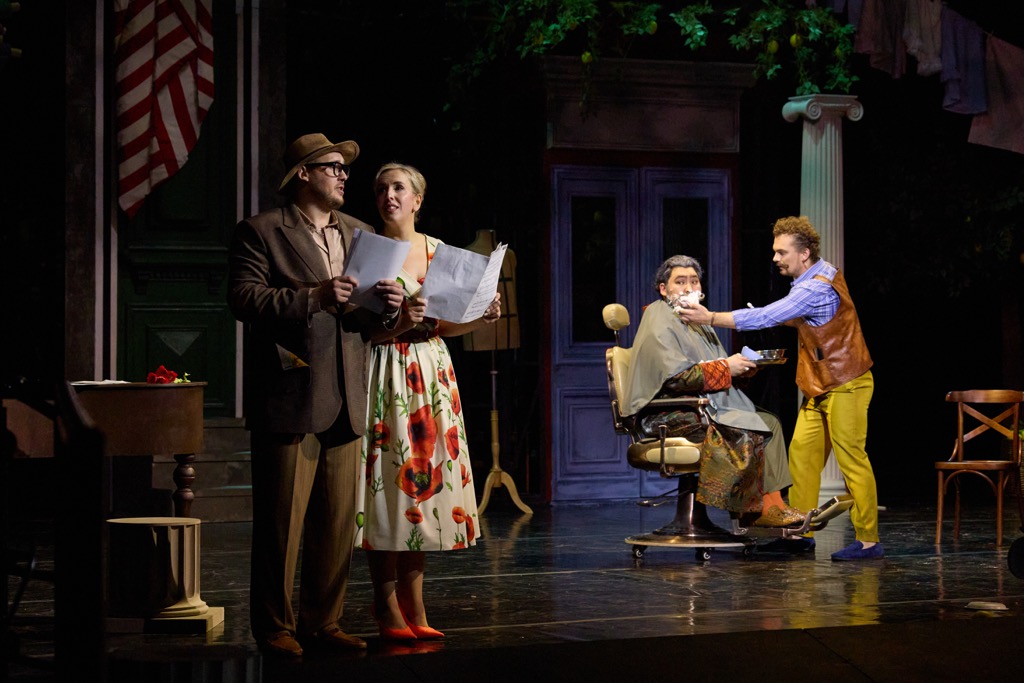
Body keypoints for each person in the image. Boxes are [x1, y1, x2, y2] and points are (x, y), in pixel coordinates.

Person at [228, 133, 406, 658]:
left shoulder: (360, 232)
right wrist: (314, 297)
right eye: (332, 166)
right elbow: (244, 298)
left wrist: (391, 307)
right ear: (303, 173)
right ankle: (274, 626)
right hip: (291, 391)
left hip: (347, 392)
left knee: (336, 523)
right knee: (281, 522)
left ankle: (323, 622)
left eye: (345, 168)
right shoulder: (262, 230)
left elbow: (368, 320)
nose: (343, 175)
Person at [677, 216, 882, 561]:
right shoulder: (814, 276)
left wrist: (709, 317)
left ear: (804, 253)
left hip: (847, 383)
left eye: (781, 252)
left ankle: (869, 540)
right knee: (801, 456)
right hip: (820, 387)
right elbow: (798, 317)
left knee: (852, 459)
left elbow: (766, 317)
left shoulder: (814, 288)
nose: (775, 258)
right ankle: (799, 533)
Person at [356, 162, 501, 640]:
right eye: (381, 189)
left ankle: (415, 603)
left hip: (431, 369)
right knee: (388, 484)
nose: (389, 196)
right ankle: (385, 602)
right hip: (386, 366)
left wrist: (480, 317)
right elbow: (360, 328)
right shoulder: (369, 251)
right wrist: (400, 320)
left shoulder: (439, 252)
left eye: (399, 188)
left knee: (421, 485)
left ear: (417, 200)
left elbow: (445, 324)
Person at [623, 255, 804, 527]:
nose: (688, 287)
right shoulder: (659, 317)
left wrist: (742, 370)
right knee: (750, 428)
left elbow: (711, 372)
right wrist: (726, 367)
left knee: (770, 423)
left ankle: (774, 507)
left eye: (694, 281)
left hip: (698, 405)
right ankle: (756, 512)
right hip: (665, 413)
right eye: (679, 282)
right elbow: (676, 379)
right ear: (663, 289)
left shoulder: (697, 319)